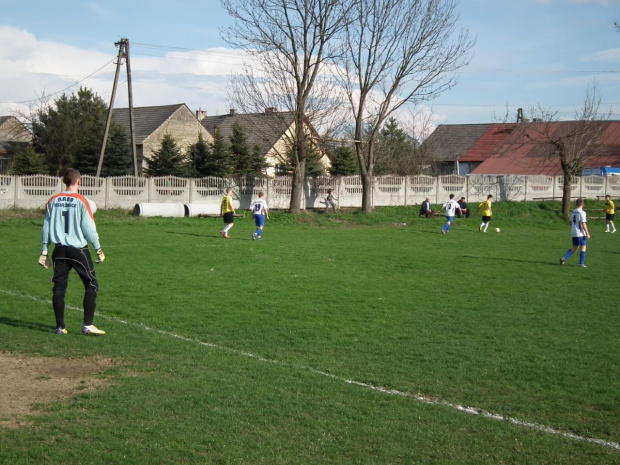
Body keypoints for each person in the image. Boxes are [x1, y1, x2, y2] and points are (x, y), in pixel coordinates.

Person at [39, 168, 106, 336]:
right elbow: (89, 228)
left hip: (59, 250)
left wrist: (44, 251)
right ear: (79, 182)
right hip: (78, 250)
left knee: (59, 287)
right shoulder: (82, 201)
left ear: (64, 182)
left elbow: (46, 226)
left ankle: (60, 327)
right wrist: (98, 248)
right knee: (91, 284)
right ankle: (88, 325)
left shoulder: (53, 200)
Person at [560, 197, 590, 268]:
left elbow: (570, 222)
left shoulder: (573, 212)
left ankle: (564, 258)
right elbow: (583, 223)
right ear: (583, 204)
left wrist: (574, 226)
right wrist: (587, 233)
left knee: (575, 247)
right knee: (583, 247)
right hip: (580, 233)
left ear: (576, 204)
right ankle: (581, 264)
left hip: (573, 233)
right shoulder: (582, 213)